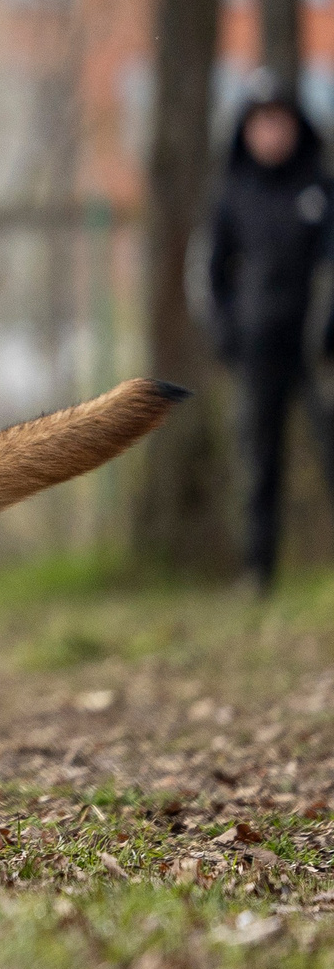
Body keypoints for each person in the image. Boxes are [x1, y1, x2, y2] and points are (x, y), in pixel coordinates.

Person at [207, 82, 334, 591]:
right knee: (260, 463)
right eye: (260, 122)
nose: (270, 133)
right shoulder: (233, 193)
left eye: (279, 121)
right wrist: (227, 333)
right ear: (245, 130)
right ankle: (258, 572)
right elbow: (210, 272)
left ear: (296, 125)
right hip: (258, 350)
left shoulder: (320, 189)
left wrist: (327, 326)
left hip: (319, 349)